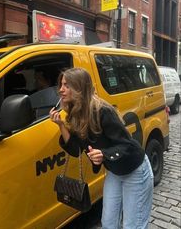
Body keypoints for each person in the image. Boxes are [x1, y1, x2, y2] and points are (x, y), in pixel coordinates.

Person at [49, 67, 154, 229]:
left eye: (67, 85)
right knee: (108, 224)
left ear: (79, 88)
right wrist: (61, 126)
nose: (61, 89)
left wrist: (103, 154)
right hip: (114, 171)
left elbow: (126, 144)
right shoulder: (76, 112)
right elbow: (76, 150)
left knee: (133, 225)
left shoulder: (102, 111)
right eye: (61, 84)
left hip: (135, 170)